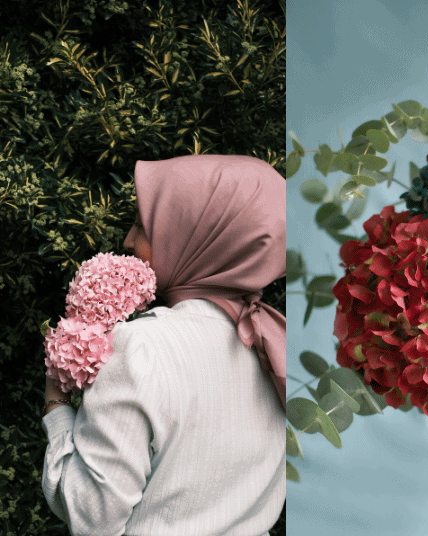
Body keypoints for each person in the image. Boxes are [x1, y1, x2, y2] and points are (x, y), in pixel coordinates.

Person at [42, 155, 286, 535]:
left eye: (142, 226)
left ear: (190, 235)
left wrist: (56, 405)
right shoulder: (274, 348)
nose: (127, 240)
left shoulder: (141, 346)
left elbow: (92, 516)